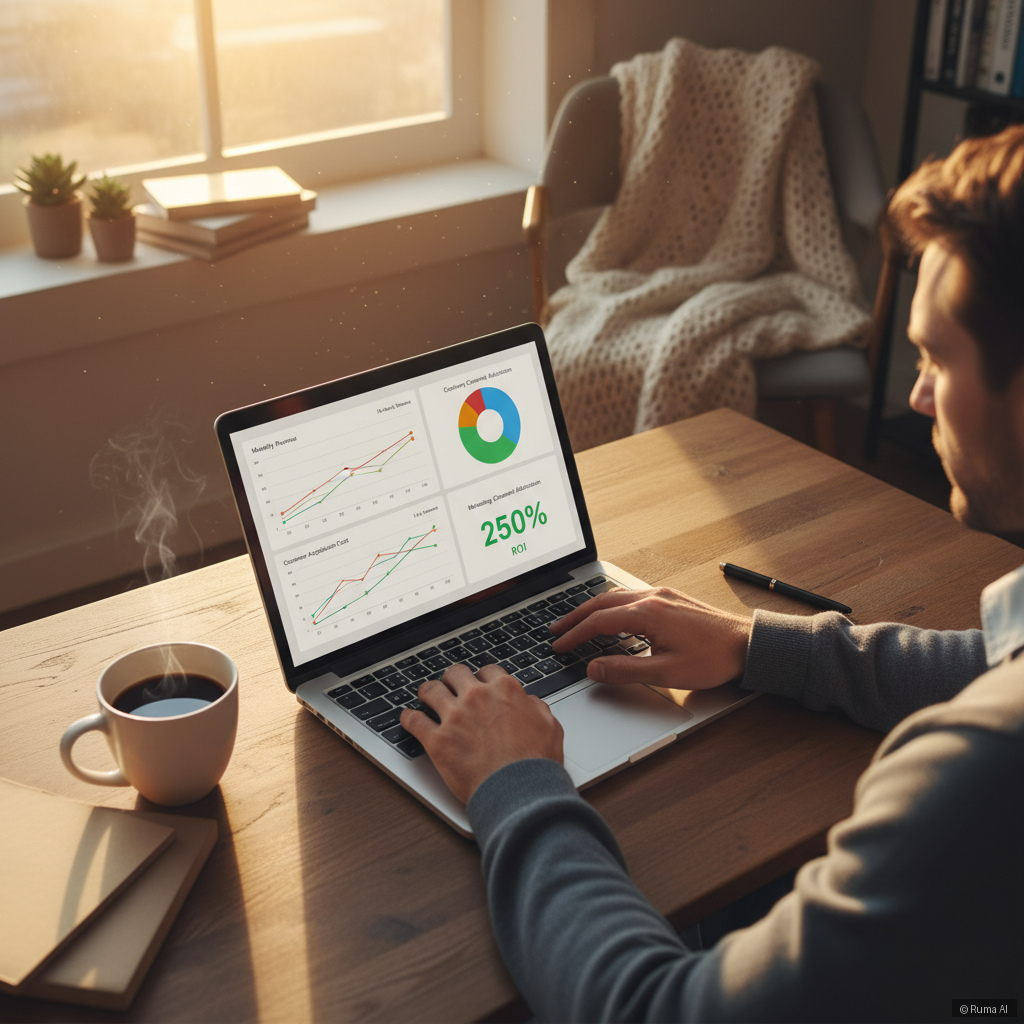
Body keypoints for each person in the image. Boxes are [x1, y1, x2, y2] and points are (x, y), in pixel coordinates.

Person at [399, 126, 1024, 1022]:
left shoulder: (980, 773)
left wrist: (515, 784)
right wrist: (757, 645)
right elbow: (991, 664)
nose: (917, 395)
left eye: (935, 357)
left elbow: (650, 1008)